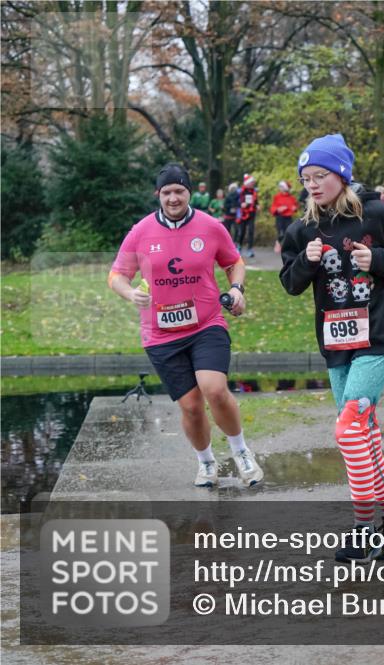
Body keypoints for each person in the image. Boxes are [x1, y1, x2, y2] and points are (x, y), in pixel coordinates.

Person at [280, 134, 384, 560]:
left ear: (341, 175)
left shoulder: (376, 213)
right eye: (306, 178)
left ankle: (364, 527)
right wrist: (304, 262)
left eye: (320, 175)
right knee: (361, 434)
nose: (312, 184)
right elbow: (290, 284)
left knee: (348, 429)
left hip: (379, 332)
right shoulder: (302, 228)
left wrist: (377, 261)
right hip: (335, 338)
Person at [107, 163, 264, 490]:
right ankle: (206, 462)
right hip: (160, 334)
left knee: (215, 390)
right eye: (167, 192)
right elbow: (117, 275)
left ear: (189, 193)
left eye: (179, 191)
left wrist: (236, 289)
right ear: (158, 195)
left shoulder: (210, 226)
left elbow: (234, 262)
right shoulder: (141, 231)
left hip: (206, 324)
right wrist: (129, 291)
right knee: (191, 407)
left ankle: (242, 452)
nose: (173, 198)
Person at [270, 180, 299, 253]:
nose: (281, 188)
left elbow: (295, 206)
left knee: (289, 232)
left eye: (282, 187)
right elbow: (273, 207)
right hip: (280, 217)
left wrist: (294, 208)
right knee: (281, 232)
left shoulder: (291, 197)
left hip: (288, 217)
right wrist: (278, 209)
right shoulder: (277, 196)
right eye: (280, 187)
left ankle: (287, 247)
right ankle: (278, 244)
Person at [235, 174, 259, 257]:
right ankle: (239, 247)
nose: (253, 184)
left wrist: (257, 206)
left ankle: (250, 249)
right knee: (242, 231)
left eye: (253, 183)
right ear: (247, 183)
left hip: (252, 213)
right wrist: (241, 204)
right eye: (251, 182)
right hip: (242, 214)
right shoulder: (240, 191)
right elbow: (234, 202)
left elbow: (256, 201)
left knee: (251, 231)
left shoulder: (254, 191)